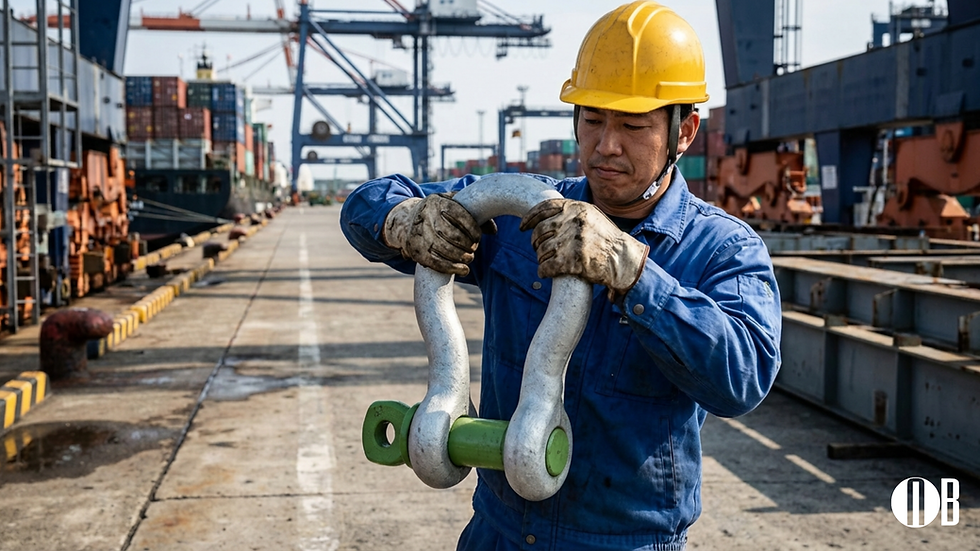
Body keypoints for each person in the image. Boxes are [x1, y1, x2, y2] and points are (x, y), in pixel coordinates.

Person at [340, 2, 782, 549]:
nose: (606, 144)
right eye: (593, 119)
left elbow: (745, 376)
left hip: (626, 540)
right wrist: (400, 219)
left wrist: (633, 273)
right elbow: (364, 203)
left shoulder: (721, 248)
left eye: (633, 125)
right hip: (498, 533)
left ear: (684, 131)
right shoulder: (520, 213)